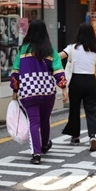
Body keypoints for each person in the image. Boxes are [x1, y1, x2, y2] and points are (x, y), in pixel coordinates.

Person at [10, 20, 68, 164]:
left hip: (28, 92)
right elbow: (58, 71)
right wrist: (64, 89)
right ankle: (45, 144)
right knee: (45, 120)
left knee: (33, 122)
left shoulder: (22, 50)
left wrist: (15, 90)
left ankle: (36, 154)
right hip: (47, 92)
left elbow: (15, 72)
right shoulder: (50, 50)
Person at [59, 22, 96, 152]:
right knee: (91, 110)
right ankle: (93, 136)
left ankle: (75, 137)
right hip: (90, 81)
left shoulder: (72, 48)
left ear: (79, 34)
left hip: (76, 81)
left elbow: (59, 56)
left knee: (75, 109)